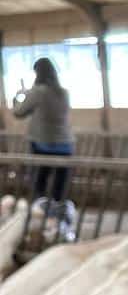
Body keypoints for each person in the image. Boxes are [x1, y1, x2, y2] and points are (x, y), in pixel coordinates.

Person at [11, 57, 76, 237]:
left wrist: (17, 97)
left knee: (39, 186)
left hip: (42, 145)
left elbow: (19, 112)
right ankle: (59, 227)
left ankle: (39, 224)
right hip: (66, 146)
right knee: (59, 191)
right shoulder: (64, 92)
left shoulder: (37, 92)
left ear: (37, 73)